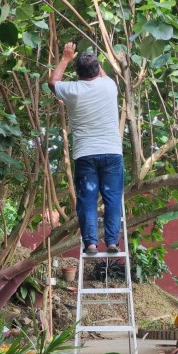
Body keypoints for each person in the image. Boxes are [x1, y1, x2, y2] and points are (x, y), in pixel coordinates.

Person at [48, 43, 123, 256]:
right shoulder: (109, 86)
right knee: (113, 199)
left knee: (87, 200)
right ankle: (111, 242)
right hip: (111, 152)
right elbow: (102, 73)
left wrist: (65, 57)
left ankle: (90, 243)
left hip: (85, 154)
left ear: (77, 73)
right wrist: (95, 60)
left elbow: (53, 82)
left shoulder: (72, 90)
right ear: (98, 69)